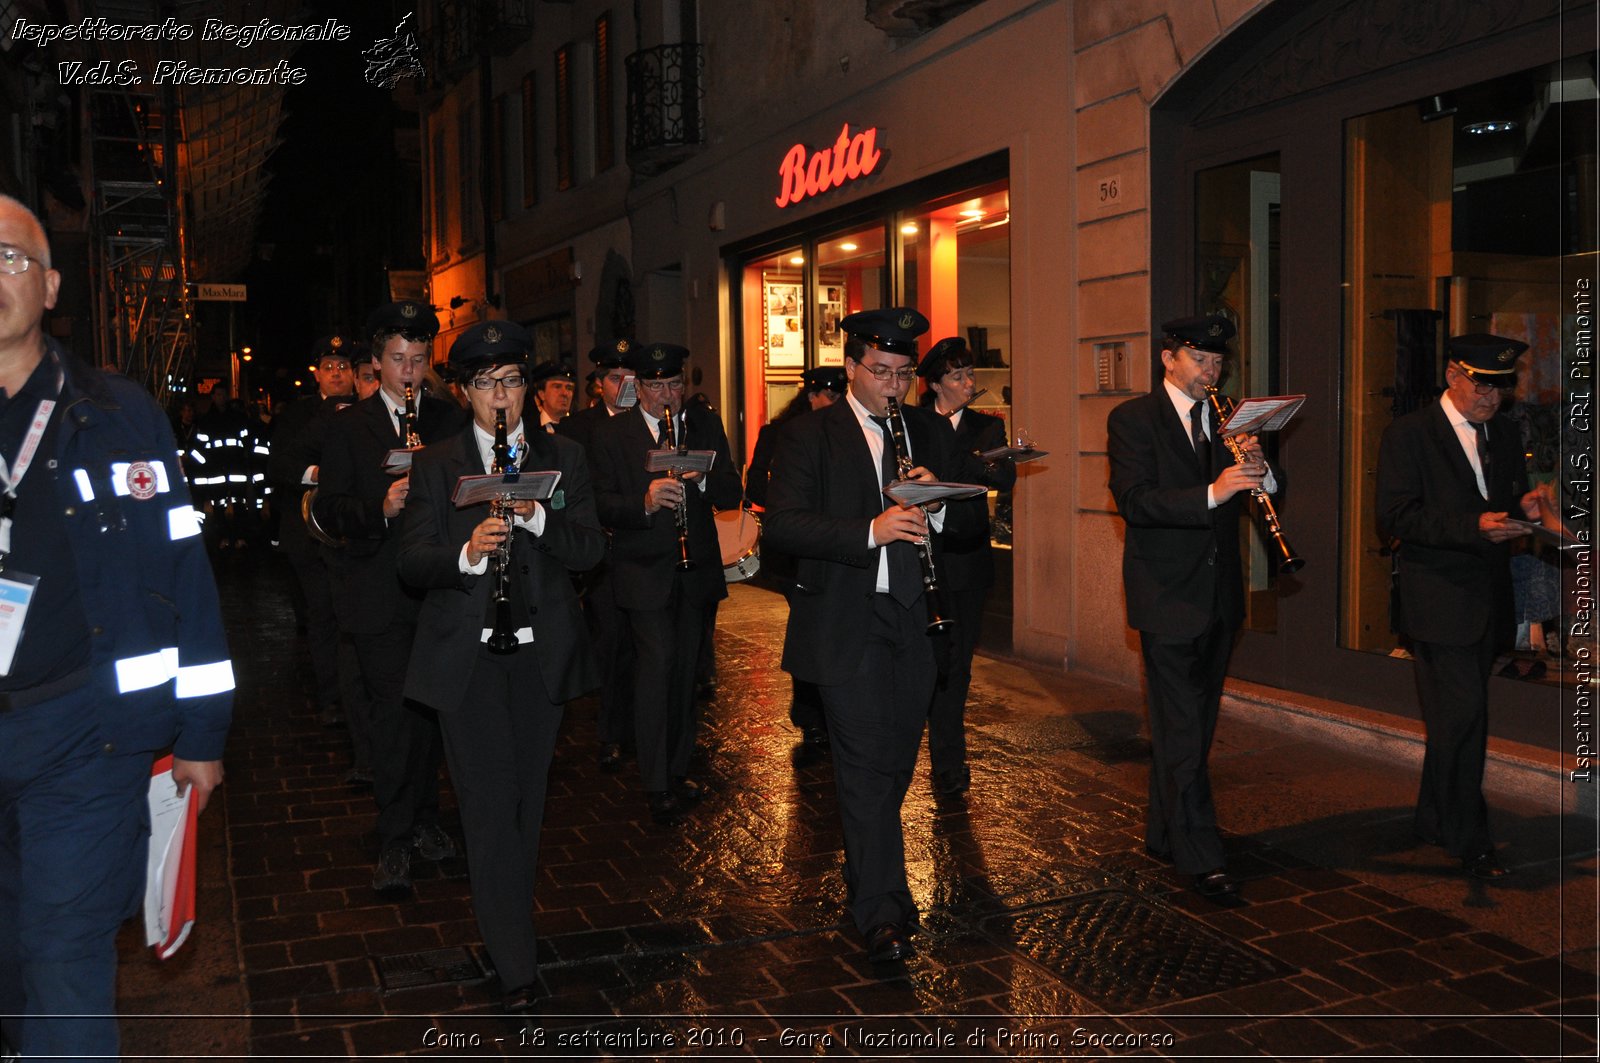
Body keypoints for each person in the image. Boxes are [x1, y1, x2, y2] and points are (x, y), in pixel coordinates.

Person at [0, 194, 233, 1059]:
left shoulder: (121, 414)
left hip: (83, 738)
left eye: (11, 257)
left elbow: (184, 570)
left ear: (52, 285)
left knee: (64, 958)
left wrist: (202, 731)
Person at [397, 320, 604, 1013]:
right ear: (465, 391)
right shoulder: (437, 463)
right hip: (470, 663)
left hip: (539, 659)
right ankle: (515, 959)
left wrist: (539, 519)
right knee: (488, 812)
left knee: (528, 806)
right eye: (486, 383)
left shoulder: (564, 456)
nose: (501, 395)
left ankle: (508, 927)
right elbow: (411, 559)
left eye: (511, 380)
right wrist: (468, 554)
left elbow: (589, 550)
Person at [764, 307, 977, 964]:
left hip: (916, 620)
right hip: (847, 621)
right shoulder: (808, 435)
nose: (893, 386)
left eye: (904, 374)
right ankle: (882, 910)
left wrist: (934, 504)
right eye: (880, 372)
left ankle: (872, 878)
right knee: (861, 767)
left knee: (893, 764)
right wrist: (870, 530)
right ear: (852, 368)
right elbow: (785, 527)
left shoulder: (923, 430)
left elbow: (965, 522)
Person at [1106, 314, 1277, 901]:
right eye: (1200, 360)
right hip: (1167, 595)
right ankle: (1202, 856)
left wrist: (1258, 469)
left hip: (1219, 596)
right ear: (1169, 359)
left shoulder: (1229, 419)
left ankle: (1163, 830)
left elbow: (1261, 491)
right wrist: (1214, 491)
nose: (1211, 371)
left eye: (1218, 362)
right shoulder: (1133, 419)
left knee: (1194, 728)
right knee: (1181, 727)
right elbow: (1136, 501)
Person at [1377, 332, 1551, 880]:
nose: (1491, 398)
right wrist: (1472, 526)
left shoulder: (1500, 431)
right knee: (1464, 720)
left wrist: (1525, 507)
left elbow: (1502, 501)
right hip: (1437, 601)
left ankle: (1433, 818)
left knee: (1456, 718)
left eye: (1501, 387)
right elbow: (1396, 517)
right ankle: (1470, 837)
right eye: (1481, 385)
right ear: (1452, 375)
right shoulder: (1409, 434)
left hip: (1487, 599)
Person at [314, 300, 468, 893]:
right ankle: (395, 833)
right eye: (398, 360)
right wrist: (380, 507)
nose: (409, 370)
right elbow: (329, 508)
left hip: (434, 589)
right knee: (392, 716)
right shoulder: (349, 427)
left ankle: (427, 818)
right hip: (378, 590)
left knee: (430, 711)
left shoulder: (447, 419)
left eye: (419, 359)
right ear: (376, 365)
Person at [588, 342, 742, 823]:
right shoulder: (614, 434)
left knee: (686, 672)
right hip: (642, 571)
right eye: (654, 386)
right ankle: (655, 781)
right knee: (657, 666)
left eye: (673, 384)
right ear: (638, 386)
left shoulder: (703, 426)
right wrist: (646, 501)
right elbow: (597, 503)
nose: (665, 396)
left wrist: (699, 479)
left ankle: (678, 768)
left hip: (694, 568)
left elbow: (732, 490)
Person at [917, 337, 1017, 797]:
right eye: (957, 376)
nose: (968, 383)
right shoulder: (911, 424)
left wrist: (952, 477)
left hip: (969, 558)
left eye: (970, 374)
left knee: (958, 665)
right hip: (917, 557)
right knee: (922, 661)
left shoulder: (986, 426)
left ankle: (948, 760)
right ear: (936, 384)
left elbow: (1002, 476)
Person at [745, 365, 846, 749]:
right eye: (828, 398)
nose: (833, 405)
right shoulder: (780, 434)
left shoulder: (845, 433)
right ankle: (810, 716)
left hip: (835, 544)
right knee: (809, 626)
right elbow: (755, 484)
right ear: (812, 397)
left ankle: (829, 712)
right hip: (794, 551)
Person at [267, 336, 357, 731]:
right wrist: (319, 474)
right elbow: (278, 466)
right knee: (323, 615)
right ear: (317, 374)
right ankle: (332, 696)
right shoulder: (296, 416)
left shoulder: (370, 409)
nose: (337, 372)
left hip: (358, 531)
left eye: (343, 366)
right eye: (329, 366)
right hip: (309, 534)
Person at [557, 340, 638, 771]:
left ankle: (643, 727)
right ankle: (611, 732)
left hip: (645, 548)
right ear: (598, 385)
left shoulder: (653, 422)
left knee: (648, 647)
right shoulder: (576, 429)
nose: (623, 386)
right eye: (614, 378)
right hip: (604, 549)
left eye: (630, 378)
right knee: (610, 643)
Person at [530, 360, 576, 431]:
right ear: (542, 394)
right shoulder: (530, 429)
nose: (564, 393)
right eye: (557, 387)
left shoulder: (580, 429)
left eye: (569, 388)